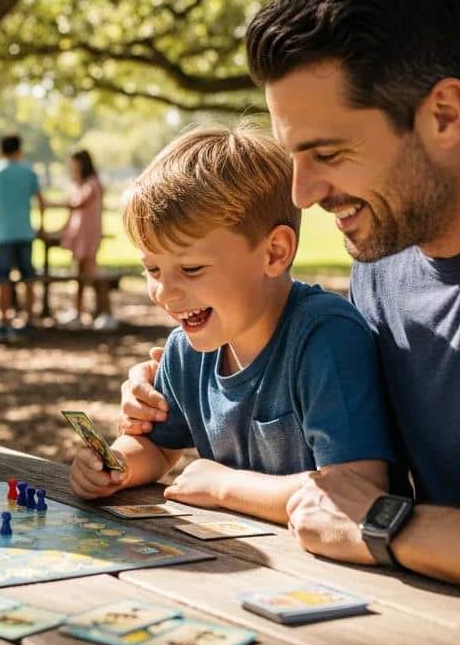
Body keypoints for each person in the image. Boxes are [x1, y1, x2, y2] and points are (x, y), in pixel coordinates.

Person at [121, 0, 460, 588]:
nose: (303, 192)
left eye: (327, 152)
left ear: (444, 115)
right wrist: (168, 378)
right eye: (293, 157)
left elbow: (359, 502)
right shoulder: (384, 265)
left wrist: (384, 524)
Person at [69, 124, 394, 526]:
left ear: (274, 252)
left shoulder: (325, 338)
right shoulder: (186, 350)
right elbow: (156, 447)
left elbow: (357, 489)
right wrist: (116, 463)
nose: (165, 293)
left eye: (191, 268)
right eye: (152, 269)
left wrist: (226, 487)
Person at [0, 134, 45, 339]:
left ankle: (5, 321)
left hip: (3, 234)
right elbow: (40, 201)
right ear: (19, 149)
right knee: (28, 278)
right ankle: (28, 320)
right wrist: (41, 226)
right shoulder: (29, 172)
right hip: (25, 232)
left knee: (3, 279)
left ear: (1, 150)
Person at [58, 149, 114, 330]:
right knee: (79, 274)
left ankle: (106, 312)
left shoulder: (92, 184)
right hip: (79, 235)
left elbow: (78, 203)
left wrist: (60, 203)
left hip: (88, 235)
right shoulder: (80, 183)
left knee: (92, 273)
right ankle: (77, 311)